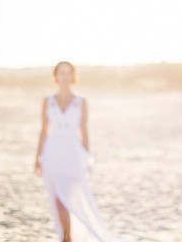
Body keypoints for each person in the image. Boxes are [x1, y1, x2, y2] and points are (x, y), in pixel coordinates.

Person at [35, 61, 114, 242]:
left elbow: (84, 131)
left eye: (68, 73)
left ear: (73, 76)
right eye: (61, 73)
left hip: (73, 154)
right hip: (52, 153)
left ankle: (68, 236)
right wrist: (37, 157)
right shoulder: (47, 101)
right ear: (55, 76)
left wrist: (88, 158)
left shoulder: (81, 101)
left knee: (69, 196)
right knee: (57, 199)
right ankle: (67, 236)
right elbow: (43, 130)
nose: (65, 77)